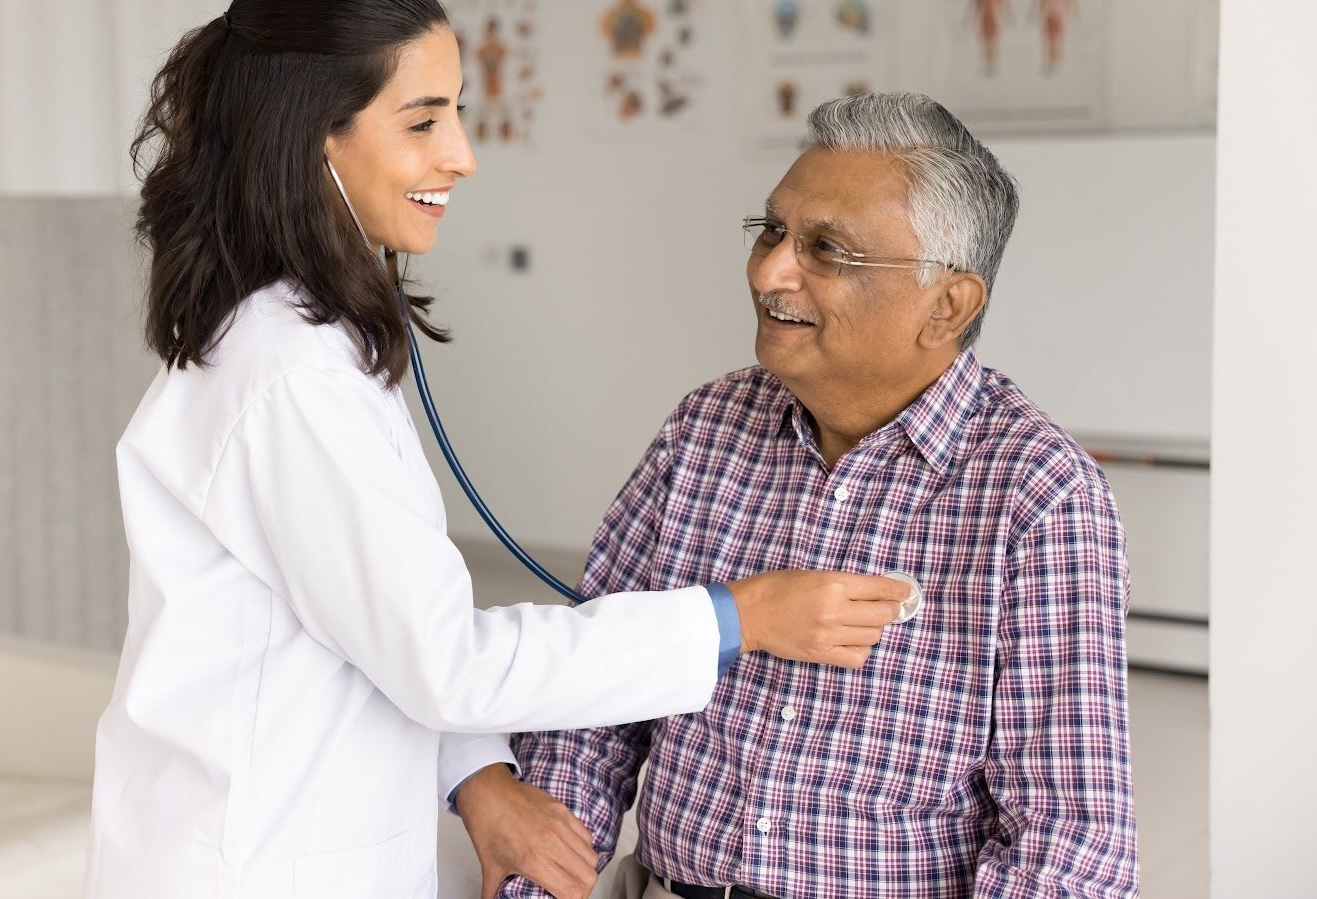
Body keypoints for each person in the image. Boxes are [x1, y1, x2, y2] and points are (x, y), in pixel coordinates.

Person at [81, 0, 911, 899]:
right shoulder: (289, 377)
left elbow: (380, 626)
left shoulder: (305, 346)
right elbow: (443, 660)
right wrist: (743, 616)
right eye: (425, 119)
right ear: (317, 137)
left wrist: (477, 777)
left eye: (459, 111)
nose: (462, 153)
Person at [456, 92, 1138, 898]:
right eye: (773, 231)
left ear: (947, 305)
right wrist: (537, 884)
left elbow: (1070, 842)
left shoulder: (1040, 495)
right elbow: (591, 707)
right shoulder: (705, 428)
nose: (770, 271)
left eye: (827, 249)